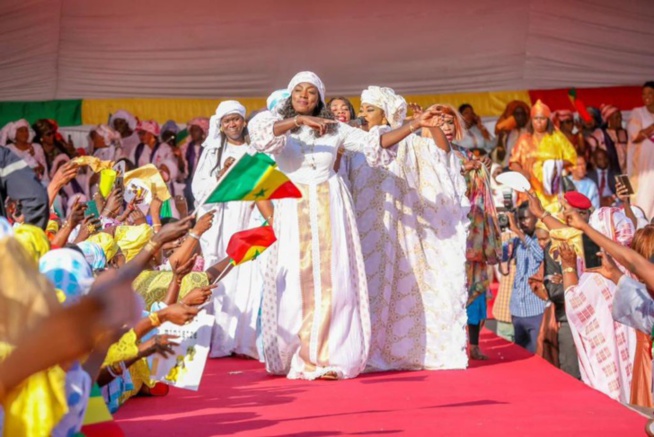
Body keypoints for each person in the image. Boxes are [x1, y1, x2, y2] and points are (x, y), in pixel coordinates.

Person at [248, 71, 441, 380]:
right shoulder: (271, 123)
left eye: (312, 92)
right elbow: (261, 139)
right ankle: (297, 355)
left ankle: (331, 357)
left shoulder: (334, 129)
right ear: (290, 95)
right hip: (292, 207)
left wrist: (415, 125)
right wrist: (297, 122)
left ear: (319, 99)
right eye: (299, 90)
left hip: (331, 206)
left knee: (335, 283)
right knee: (294, 282)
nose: (305, 95)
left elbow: (375, 145)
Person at [344, 89, 470, 371]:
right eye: (362, 108)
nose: (362, 114)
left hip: (398, 229)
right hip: (363, 226)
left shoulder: (408, 143)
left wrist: (432, 125)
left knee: (396, 285)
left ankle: (396, 349)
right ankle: (362, 349)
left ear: (386, 114)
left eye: (369, 109)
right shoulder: (357, 143)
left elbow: (442, 156)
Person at [192, 100, 269, 359]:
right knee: (222, 275)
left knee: (248, 275)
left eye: (236, 119)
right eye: (227, 121)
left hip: (249, 218)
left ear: (243, 122)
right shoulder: (213, 153)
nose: (232, 124)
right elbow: (198, 190)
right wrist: (219, 176)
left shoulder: (255, 150)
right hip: (222, 221)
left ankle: (244, 340)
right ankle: (221, 341)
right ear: (221, 126)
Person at [562, 207, 637, 404]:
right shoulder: (636, 269)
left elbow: (575, 304)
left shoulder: (597, 276)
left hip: (609, 364)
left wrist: (568, 267)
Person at [509, 100, 577, 212]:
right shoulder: (524, 139)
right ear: (531, 120)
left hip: (552, 191)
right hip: (530, 188)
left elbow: (572, 158)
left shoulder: (556, 137)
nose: (539, 122)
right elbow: (514, 161)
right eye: (536, 119)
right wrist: (521, 172)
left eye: (542, 119)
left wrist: (553, 164)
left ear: (548, 120)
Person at [506, 200, 545, 353]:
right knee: (520, 359)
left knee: (538, 358)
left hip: (536, 310)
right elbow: (496, 257)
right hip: (517, 310)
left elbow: (539, 254)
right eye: (520, 219)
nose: (522, 222)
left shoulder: (541, 240)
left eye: (526, 218)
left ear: (536, 218)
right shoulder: (516, 242)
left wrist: (517, 230)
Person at [0, 147, 49, 228]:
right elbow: (37, 198)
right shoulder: (2, 157)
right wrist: (28, 237)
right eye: (33, 171)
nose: (36, 174)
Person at [627, 81, 654, 220]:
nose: (646, 96)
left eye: (650, 93)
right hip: (642, 170)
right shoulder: (638, 113)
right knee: (644, 204)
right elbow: (635, 137)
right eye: (644, 94)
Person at [180, 117, 209, 210]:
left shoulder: (209, 147)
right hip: (190, 181)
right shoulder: (185, 147)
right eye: (191, 131)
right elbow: (181, 169)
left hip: (205, 181)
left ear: (203, 131)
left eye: (196, 130)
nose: (193, 133)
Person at [493, 100, 530, 166]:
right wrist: (501, 139)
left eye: (522, 114)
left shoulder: (531, 132)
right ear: (511, 116)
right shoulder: (505, 134)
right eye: (517, 114)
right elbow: (500, 157)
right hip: (508, 166)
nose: (520, 117)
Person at [597, 104, 626, 174]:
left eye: (620, 117)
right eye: (616, 117)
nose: (620, 119)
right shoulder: (600, 134)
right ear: (609, 120)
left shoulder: (625, 133)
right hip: (609, 174)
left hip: (626, 173)